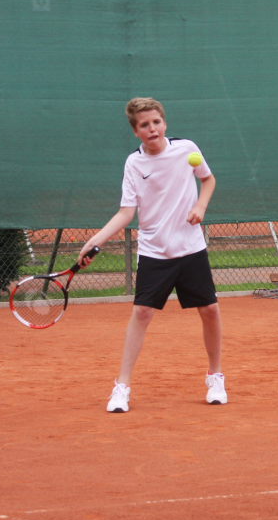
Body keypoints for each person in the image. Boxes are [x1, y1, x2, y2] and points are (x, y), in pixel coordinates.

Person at [78, 98, 224, 413]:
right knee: (142, 313)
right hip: (154, 252)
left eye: (156, 122)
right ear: (136, 132)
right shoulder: (134, 164)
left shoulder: (186, 149)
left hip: (191, 248)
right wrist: (95, 240)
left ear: (164, 123)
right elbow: (126, 212)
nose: (152, 128)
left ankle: (215, 376)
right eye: (144, 125)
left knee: (210, 310)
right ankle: (121, 387)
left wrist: (200, 206)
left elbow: (208, 179)